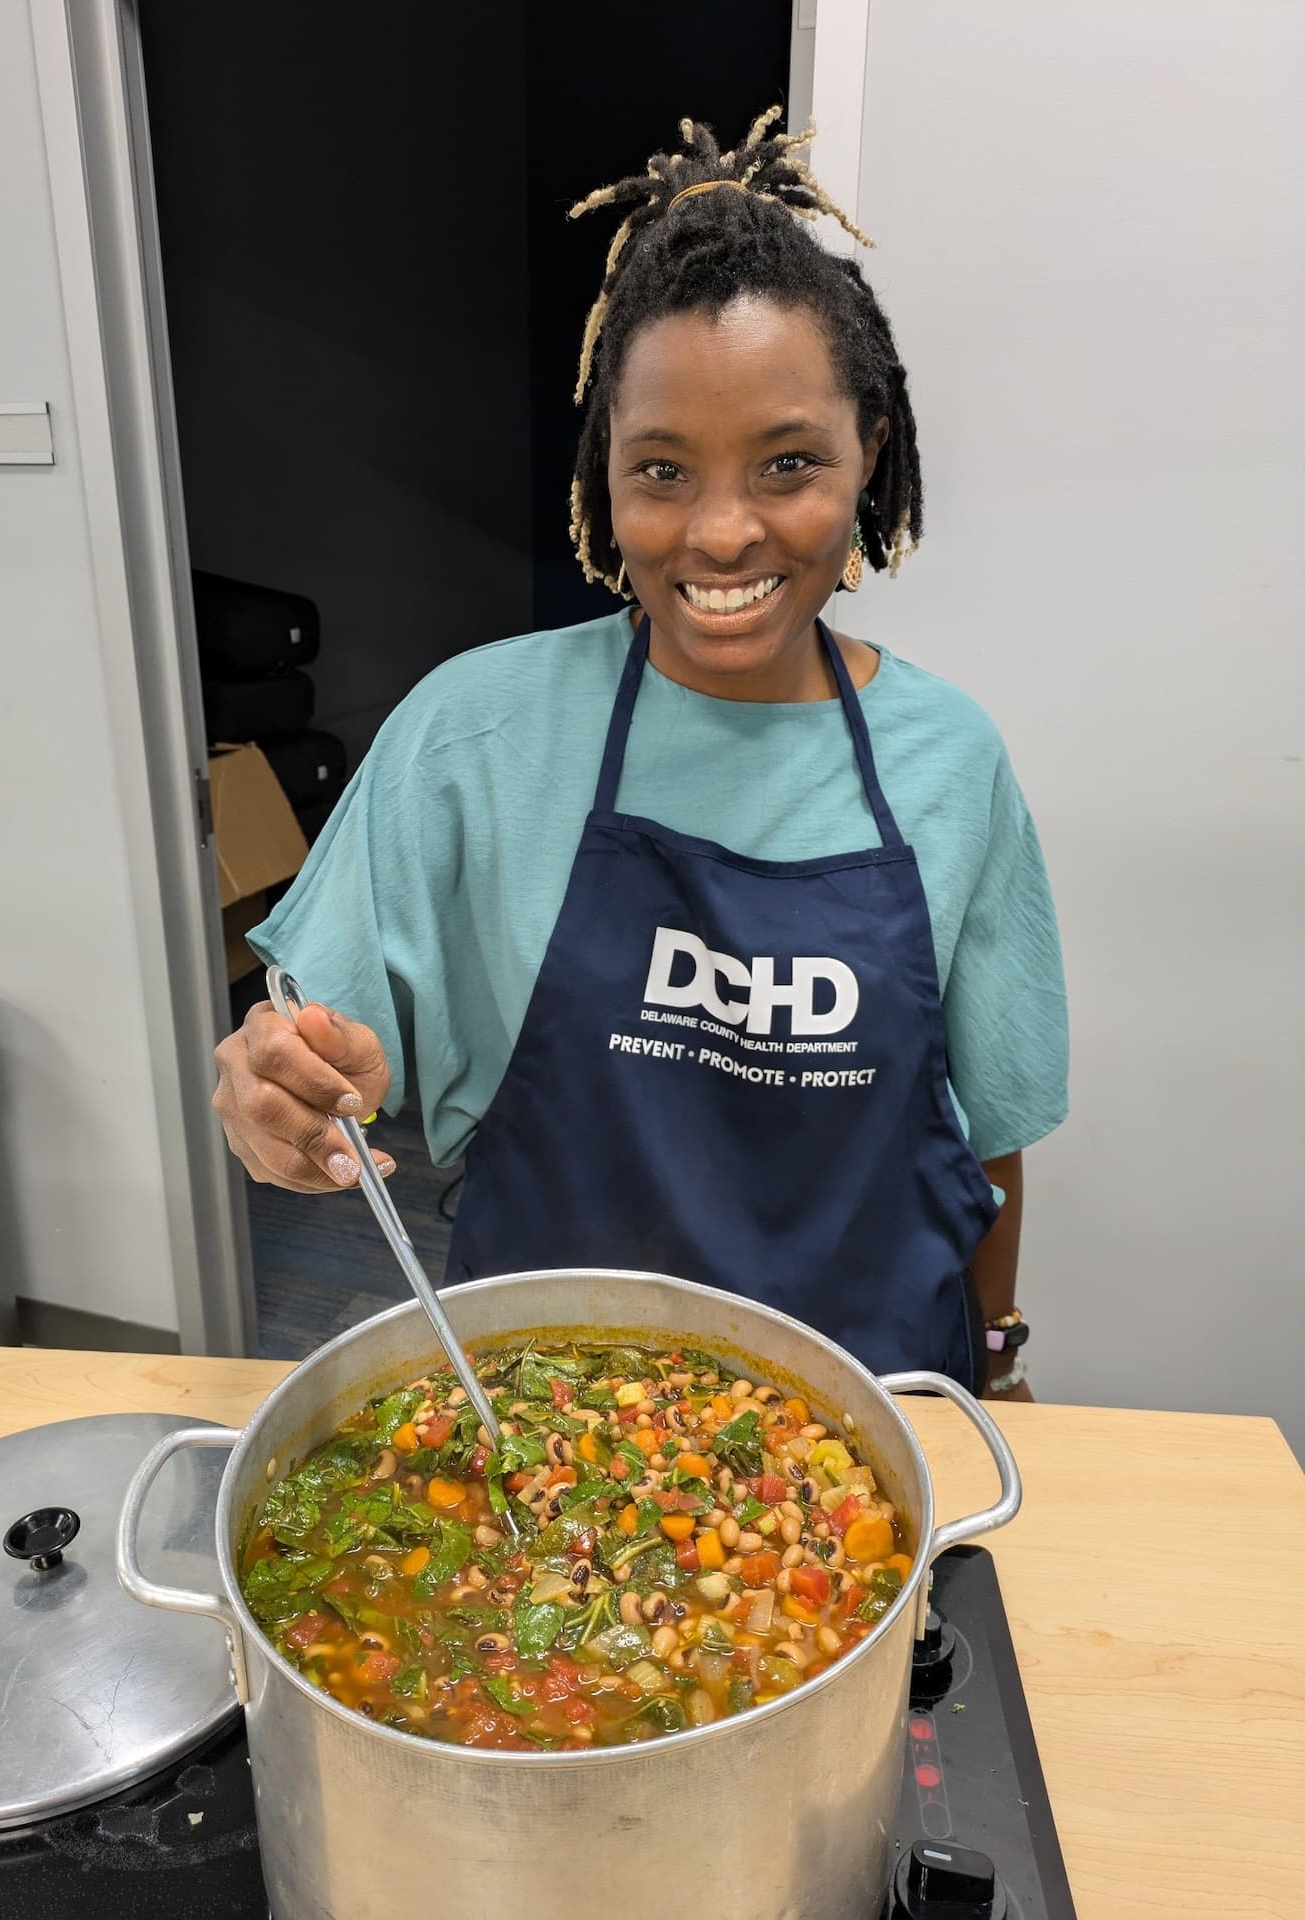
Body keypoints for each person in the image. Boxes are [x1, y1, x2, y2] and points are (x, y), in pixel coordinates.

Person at [212, 109, 1067, 1400]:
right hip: (554, 1431)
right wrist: (269, 1087)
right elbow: (302, 1038)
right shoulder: (475, 734)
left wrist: (996, 1367)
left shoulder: (949, 760)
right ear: (603, 478)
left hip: (875, 1431)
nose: (722, 535)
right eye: (662, 470)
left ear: (868, 459)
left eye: (788, 464)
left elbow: (989, 1141)